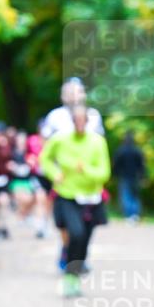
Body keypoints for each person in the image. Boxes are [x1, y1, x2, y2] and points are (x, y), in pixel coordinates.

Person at [39, 105, 110, 297]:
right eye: (75, 120)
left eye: (82, 120)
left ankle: (75, 276)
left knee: (85, 240)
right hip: (67, 195)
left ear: (87, 121)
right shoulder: (60, 139)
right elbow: (44, 158)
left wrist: (84, 169)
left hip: (91, 198)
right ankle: (69, 274)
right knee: (75, 234)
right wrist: (55, 173)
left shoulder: (97, 142)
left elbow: (104, 172)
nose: (79, 124)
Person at [42, 78, 105, 271]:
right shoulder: (55, 117)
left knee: (84, 228)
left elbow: (99, 147)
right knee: (67, 225)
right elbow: (46, 149)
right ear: (63, 95)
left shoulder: (93, 116)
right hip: (64, 182)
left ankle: (76, 257)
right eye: (70, 92)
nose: (74, 96)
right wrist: (54, 172)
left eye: (78, 92)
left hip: (87, 183)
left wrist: (90, 170)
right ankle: (67, 251)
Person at [112, 132, 146, 221]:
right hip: (135, 177)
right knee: (134, 196)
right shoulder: (137, 150)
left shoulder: (120, 151)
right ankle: (135, 215)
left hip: (124, 177)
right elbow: (142, 165)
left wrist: (114, 175)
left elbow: (115, 165)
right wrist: (143, 176)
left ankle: (128, 215)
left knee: (126, 196)